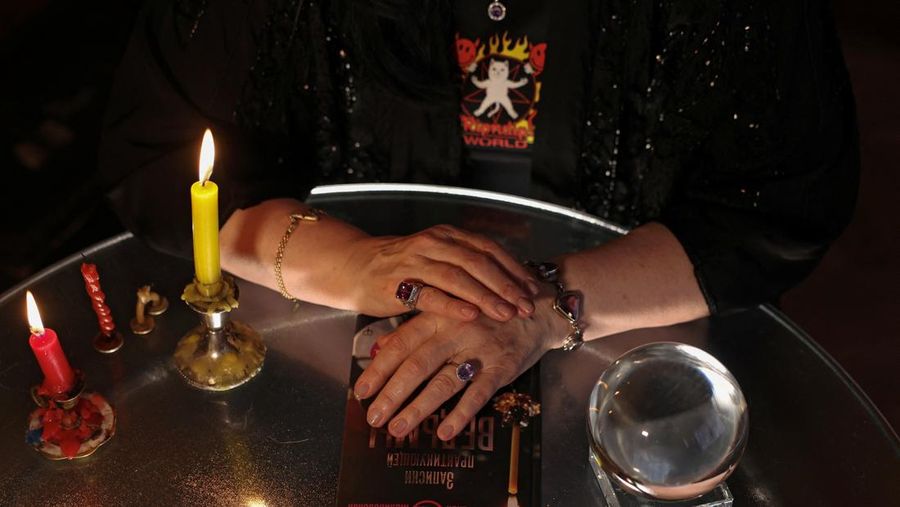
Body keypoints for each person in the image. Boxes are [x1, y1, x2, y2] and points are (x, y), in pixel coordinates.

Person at [99, 0, 858, 442]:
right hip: (327, 354)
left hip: (632, 369)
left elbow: (779, 203)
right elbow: (159, 159)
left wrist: (546, 305)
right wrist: (358, 263)